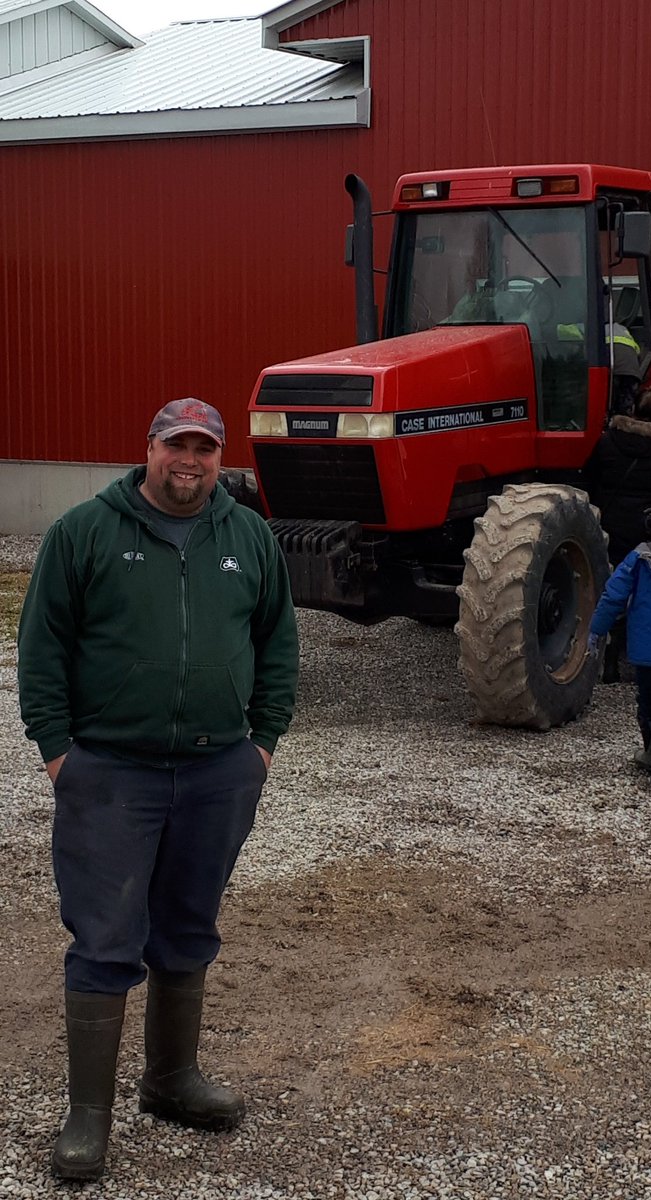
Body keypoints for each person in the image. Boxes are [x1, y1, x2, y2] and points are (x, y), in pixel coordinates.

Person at [17, 398, 299, 1182]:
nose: (191, 460)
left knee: (186, 926)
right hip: (109, 771)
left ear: (219, 457)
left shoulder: (246, 536)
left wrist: (262, 745)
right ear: (148, 449)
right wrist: (58, 754)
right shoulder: (85, 533)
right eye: (177, 444)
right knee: (105, 938)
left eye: (205, 448)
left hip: (217, 771)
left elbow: (277, 638)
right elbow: (41, 647)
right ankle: (88, 1115)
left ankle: (171, 1081)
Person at [584, 385, 651, 681]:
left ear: (633, 410)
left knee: (614, 589)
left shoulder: (609, 441)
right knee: (649, 591)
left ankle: (608, 660)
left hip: (613, 525)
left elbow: (590, 479)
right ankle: (646, 662)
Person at [589, 504, 651, 788]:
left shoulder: (637, 558)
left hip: (643, 647)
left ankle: (649, 753)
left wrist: (596, 630)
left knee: (647, 699)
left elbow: (613, 598)